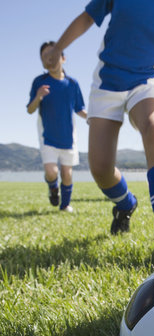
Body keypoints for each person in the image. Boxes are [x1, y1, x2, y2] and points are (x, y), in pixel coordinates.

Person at [45, 0, 154, 266]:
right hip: (107, 83)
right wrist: (59, 47)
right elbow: (88, 17)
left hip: (146, 82)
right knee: (100, 168)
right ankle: (125, 203)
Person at [27, 41, 87, 213]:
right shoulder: (39, 82)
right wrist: (38, 96)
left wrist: (90, 118)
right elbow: (30, 110)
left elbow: (79, 109)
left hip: (69, 137)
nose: (49, 59)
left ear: (63, 58)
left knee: (67, 174)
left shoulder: (72, 83)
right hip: (48, 136)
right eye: (44, 57)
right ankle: (53, 188)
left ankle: (65, 205)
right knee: (52, 172)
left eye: (52, 55)